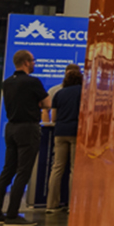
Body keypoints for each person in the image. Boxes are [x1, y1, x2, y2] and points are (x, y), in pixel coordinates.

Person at [0, 50, 50, 226]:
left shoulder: (7, 83)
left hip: (11, 128)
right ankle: (13, 215)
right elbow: (47, 103)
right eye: (33, 60)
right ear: (25, 62)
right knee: (23, 172)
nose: (34, 63)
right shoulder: (33, 82)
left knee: (8, 170)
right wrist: (36, 104)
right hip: (28, 129)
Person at [46, 65, 83, 213]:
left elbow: (53, 117)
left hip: (60, 132)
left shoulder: (59, 94)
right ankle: (71, 204)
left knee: (57, 168)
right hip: (76, 132)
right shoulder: (83, 92)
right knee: (74, 168)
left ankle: (51, 204)